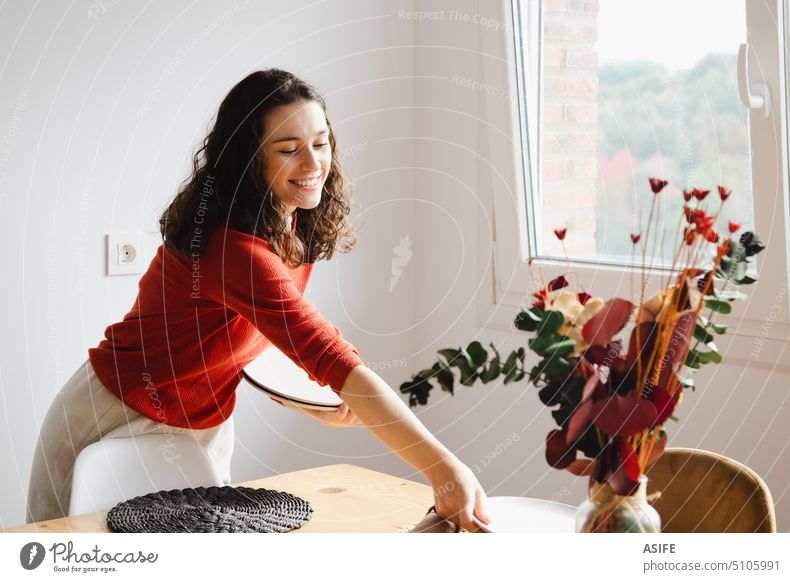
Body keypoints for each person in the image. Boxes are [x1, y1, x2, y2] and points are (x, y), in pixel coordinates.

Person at [26, 68, 491, 531]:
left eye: (322, 142)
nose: (313, 164)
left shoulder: (289, 222)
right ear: (249, 161)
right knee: (57, 554)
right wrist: (444, 469)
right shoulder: (234, 248)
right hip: (110, 409)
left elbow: (253, 335)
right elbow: (328, 353)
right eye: (288, 150)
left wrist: (312, 398)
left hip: (204, 421)